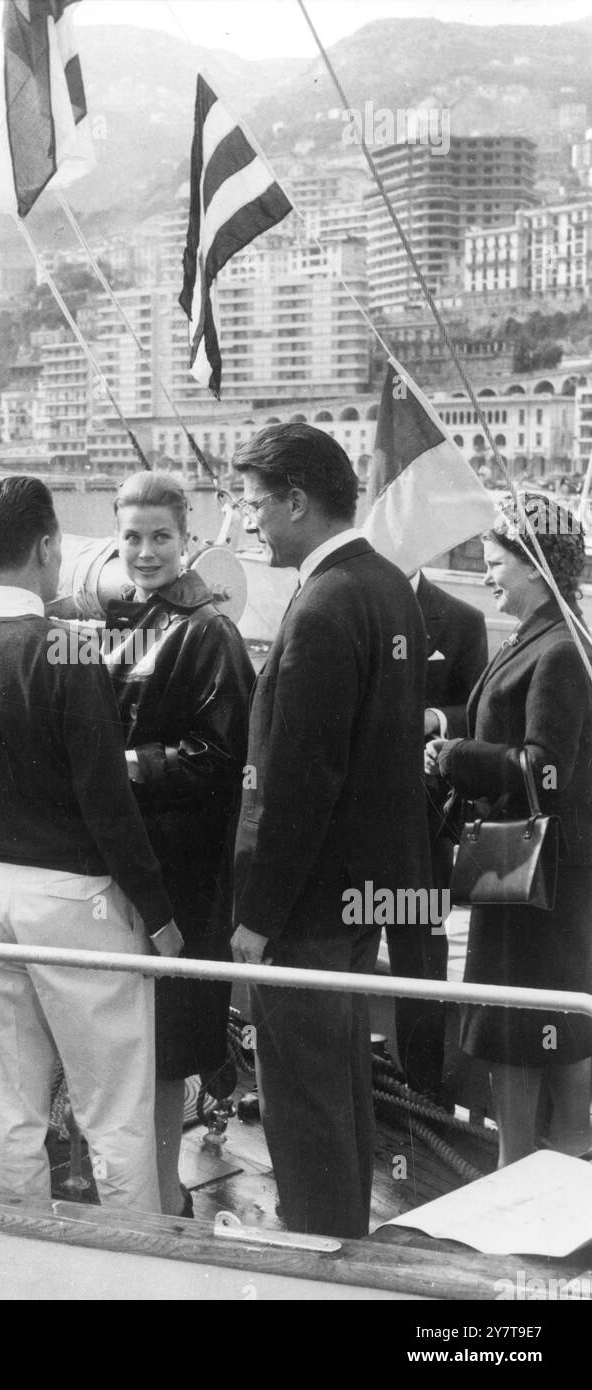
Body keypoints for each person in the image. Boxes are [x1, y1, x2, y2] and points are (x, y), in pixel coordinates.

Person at [0, 476, 182, 1212]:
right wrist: (158, 913)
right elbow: (107, 802)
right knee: (113, 1109)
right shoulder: (64, 647)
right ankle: (133, 1264)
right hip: (70, 898)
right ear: (48, 546)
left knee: (11, 1103)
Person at [231, 424, 431, 1240]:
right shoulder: (387, 585)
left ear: (296, 501)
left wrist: (257, 915)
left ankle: (318, 1255)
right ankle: (347, 1234)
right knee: (340, 1082)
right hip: (362, 896)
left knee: (304, 1098)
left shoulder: (321, 604)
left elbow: (299, 782)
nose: (248, 525)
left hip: (307, 908)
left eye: (254, 507)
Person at [103, 471, 254, 1216]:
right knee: (126, 1038)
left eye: (159, 536)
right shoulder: (119, 620)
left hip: (182, 871)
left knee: (163, 1046)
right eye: (131, 537)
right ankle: (138, 1191)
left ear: (187, 539)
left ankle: (164, 1198)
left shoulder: (208, 632)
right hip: (127, 865)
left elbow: (221, 759)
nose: (144, 551)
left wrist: (118, 768)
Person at [426, 493, 592, 1167]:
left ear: (531, 564)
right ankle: (541, 1184)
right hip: (534, 877)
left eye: (494, 562)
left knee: (523, 1037)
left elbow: (544, 769)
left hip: (534, 880)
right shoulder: (550, 637)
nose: (487, 574)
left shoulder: (557, 650)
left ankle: (523, 1189)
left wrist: (453, 757)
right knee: (545, 1035)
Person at [385, 571, 488, 1102]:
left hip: (420, 822)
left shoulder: (463, 620)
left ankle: (423, 1088)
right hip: (344, 816)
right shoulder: (343, 598)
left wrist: (434, 718)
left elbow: (477, 711)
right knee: (334, 940)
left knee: (419, 944)